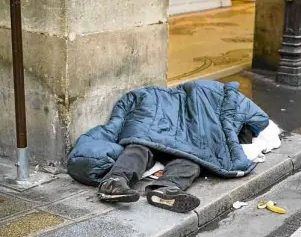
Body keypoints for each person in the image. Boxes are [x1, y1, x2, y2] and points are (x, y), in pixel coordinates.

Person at [67, 80, 269, 214]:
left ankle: (122, 183)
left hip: (166, 133)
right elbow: (254, 121)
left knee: (143, 149)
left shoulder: (217, 96)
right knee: (184, 157)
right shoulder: (219, 95)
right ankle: (161, 187)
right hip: (163, 126)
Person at [97, 124, 253, 214]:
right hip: (156, 132)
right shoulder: (159, 96)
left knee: (189, 162)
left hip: (186, 143)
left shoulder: (219, 104)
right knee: (139, 148)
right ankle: (114, 182)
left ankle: (166, 189)